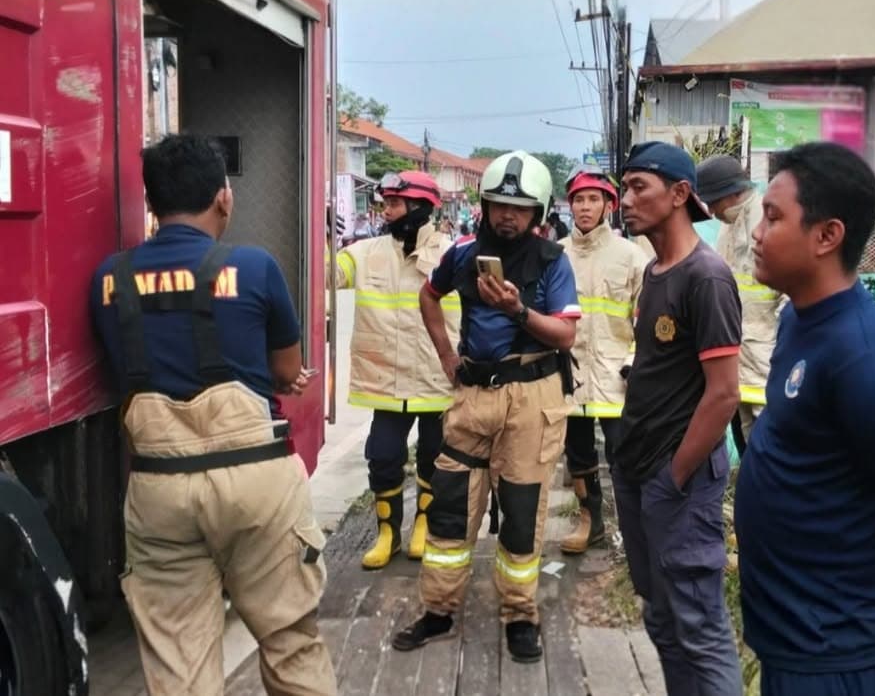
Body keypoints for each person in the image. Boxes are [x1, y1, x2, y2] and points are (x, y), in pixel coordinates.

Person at [90, 135, 336, 695]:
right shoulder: (253, 266)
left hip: (159, 487)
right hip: (255, 481)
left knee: (178, 664)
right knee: (290, 640)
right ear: (223, 198)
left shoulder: (108, 278)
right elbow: (284, 368)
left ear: (151, 204)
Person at [735, 142, 875, 696]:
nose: (756, 233)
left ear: (827, 236)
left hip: (843, 657)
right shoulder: (800, 322)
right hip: (801, 641)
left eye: (773, 216)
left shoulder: (861, 354)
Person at [392, 151, 579, 664]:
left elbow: (566, 333)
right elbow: (429, 298)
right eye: (498, 204)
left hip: (531, 398)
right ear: (484, 205)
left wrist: (518, 310)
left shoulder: (552, 262)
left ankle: (521, 616)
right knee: (449, 508)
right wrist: (448, 356)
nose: (507, 216)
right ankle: (438, 610)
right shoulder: (462, 252)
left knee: (520, 512)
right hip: (472, 396)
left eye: (519, 209)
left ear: (538, 213)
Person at [614, 141, 744, 695]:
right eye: (624, 188)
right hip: (638, 469)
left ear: (680, 194)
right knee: (660, 617)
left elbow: (723, 395)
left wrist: (675, 477)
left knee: (699, 626)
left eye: (638, 187)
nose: (625, 200)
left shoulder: (706, 278)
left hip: (679, 480)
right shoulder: (655, 271)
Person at [335, 171, 458, 569]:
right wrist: (314, 237)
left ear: (419, 208)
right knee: (384, 457)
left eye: (393, 203)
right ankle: (387, 533)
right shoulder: (364, 252)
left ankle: (424, 524)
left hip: (436, 378)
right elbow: (327, 274)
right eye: (384, 202)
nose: (385, 210)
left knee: (432, 456)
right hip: (385, 380)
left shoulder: (453, 254)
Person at [558, 166, 648, 554]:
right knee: (578, 455)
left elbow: (644, 317)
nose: (585, 207)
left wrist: (633, 362)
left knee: (624, 456)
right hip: (571, 374)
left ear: (609, 205)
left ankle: (633, 528)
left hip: (616, 375)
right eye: (579, 199)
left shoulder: (632, 256)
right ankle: (589, 522)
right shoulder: (556, 255)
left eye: (593, 199)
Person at [696, 155, 784, 451]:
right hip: (737, 347)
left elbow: (789, 293)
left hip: (765, 350)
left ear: (732, 193)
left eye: (713, 202)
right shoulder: (729, 225)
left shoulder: (765, 220)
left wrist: (785, 342)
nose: (710, 210)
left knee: (768, 433)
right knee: (744, 432)